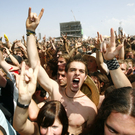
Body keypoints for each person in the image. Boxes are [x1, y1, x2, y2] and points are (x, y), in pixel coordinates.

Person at [26, 7, 97, 134]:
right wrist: (30, 32)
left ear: (85, 77)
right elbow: (35, 65)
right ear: (67, 73)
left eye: (81, 71)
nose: (77, 73)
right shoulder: (55, 91)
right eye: (73, 70)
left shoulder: (90, 109)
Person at [13, 62, 68, 135]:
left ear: (64, 126)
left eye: (54, 127)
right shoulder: (37, 132)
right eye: (44, 127)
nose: (48, 133)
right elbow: (20, 127)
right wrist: (24, 100)